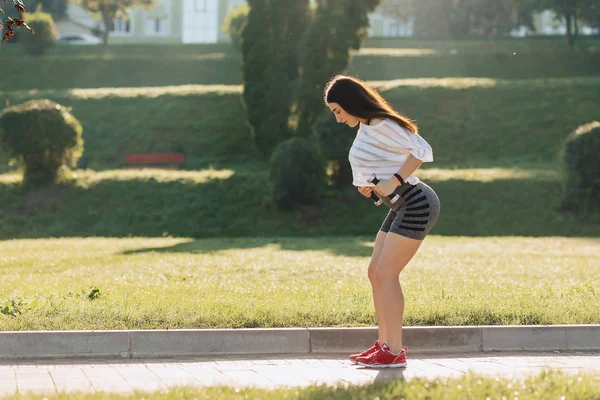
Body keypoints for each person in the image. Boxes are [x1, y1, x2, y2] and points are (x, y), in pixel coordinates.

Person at [324, 75, 440, 368]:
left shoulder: (383, 125)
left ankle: (394, 351)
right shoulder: (366, 127)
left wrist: (395, 180)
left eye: (338, 111)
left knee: (386, 274)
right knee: (375, 272)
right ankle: (385, 345)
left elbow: (422, 150)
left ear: (350, 103)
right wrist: (372, 186)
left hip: (416, 202)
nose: (338, 119)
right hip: (400, 204)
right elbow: (380, 167)